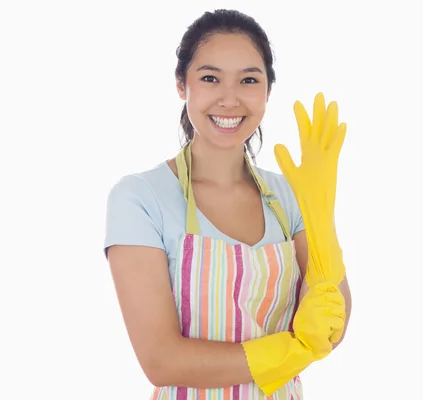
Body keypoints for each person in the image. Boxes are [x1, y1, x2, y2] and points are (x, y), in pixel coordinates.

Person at [104, 9, 352, 399]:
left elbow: (333, 322)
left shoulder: (292, 195)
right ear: (181, 85)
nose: (230, 98)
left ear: (268, 90)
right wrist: (291, 349)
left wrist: (321, 214)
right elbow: (161, 358)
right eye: (210, 78)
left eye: (249, 80)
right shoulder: (140, 198)